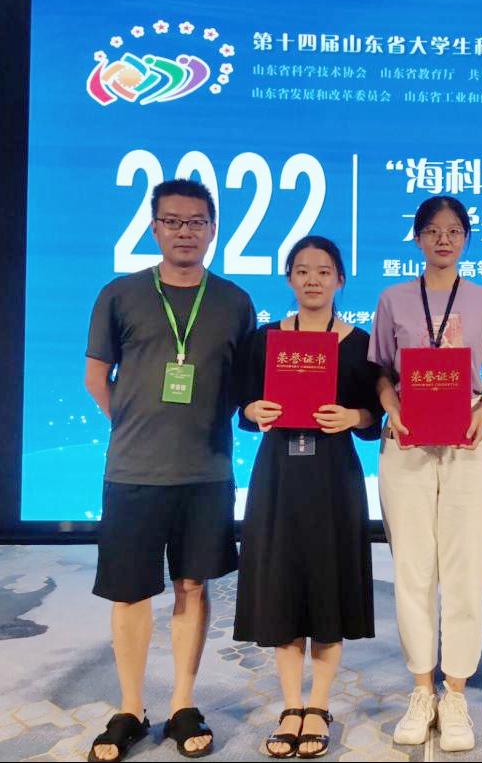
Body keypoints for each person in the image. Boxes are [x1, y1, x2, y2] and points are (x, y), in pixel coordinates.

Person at [84, 179, 256, 761]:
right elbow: (96, 377)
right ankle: (130, 707)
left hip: (206, 472)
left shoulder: (234, 301)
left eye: (197, 222)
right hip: (133, 471)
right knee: (130, 592)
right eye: (173, 221)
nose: (186, 232)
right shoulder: (119, 294)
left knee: (192, 586)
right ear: (154, 227)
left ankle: (183, 702)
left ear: (213, 229)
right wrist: (136, 423)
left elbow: (242, 385)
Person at [368, 195, 482, 753]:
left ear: (467, 238)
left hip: (468, 440)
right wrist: (393, 410)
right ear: (417, 238)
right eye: (432, 230)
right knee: (412, 568)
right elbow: (382, 374)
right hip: (408, 439)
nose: (444, 240)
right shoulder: (393, 299)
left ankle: (455, 693)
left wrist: (480, 415)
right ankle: (421, 688)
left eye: (454, 231)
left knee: (464, 569)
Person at [234, 235, 383, 759]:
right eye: (302, 270)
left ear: (340, 279)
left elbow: (374, 416)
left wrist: (354, 416)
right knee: (281, 583)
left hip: (333, 476)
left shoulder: (360, 343)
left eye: (323, 271)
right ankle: (290, 705)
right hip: (278, 474)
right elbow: (242, 403)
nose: (313, 279)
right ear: (289, 279)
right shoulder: (266, 339)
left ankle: (318, 705)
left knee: (327, 582)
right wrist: (253, 411)